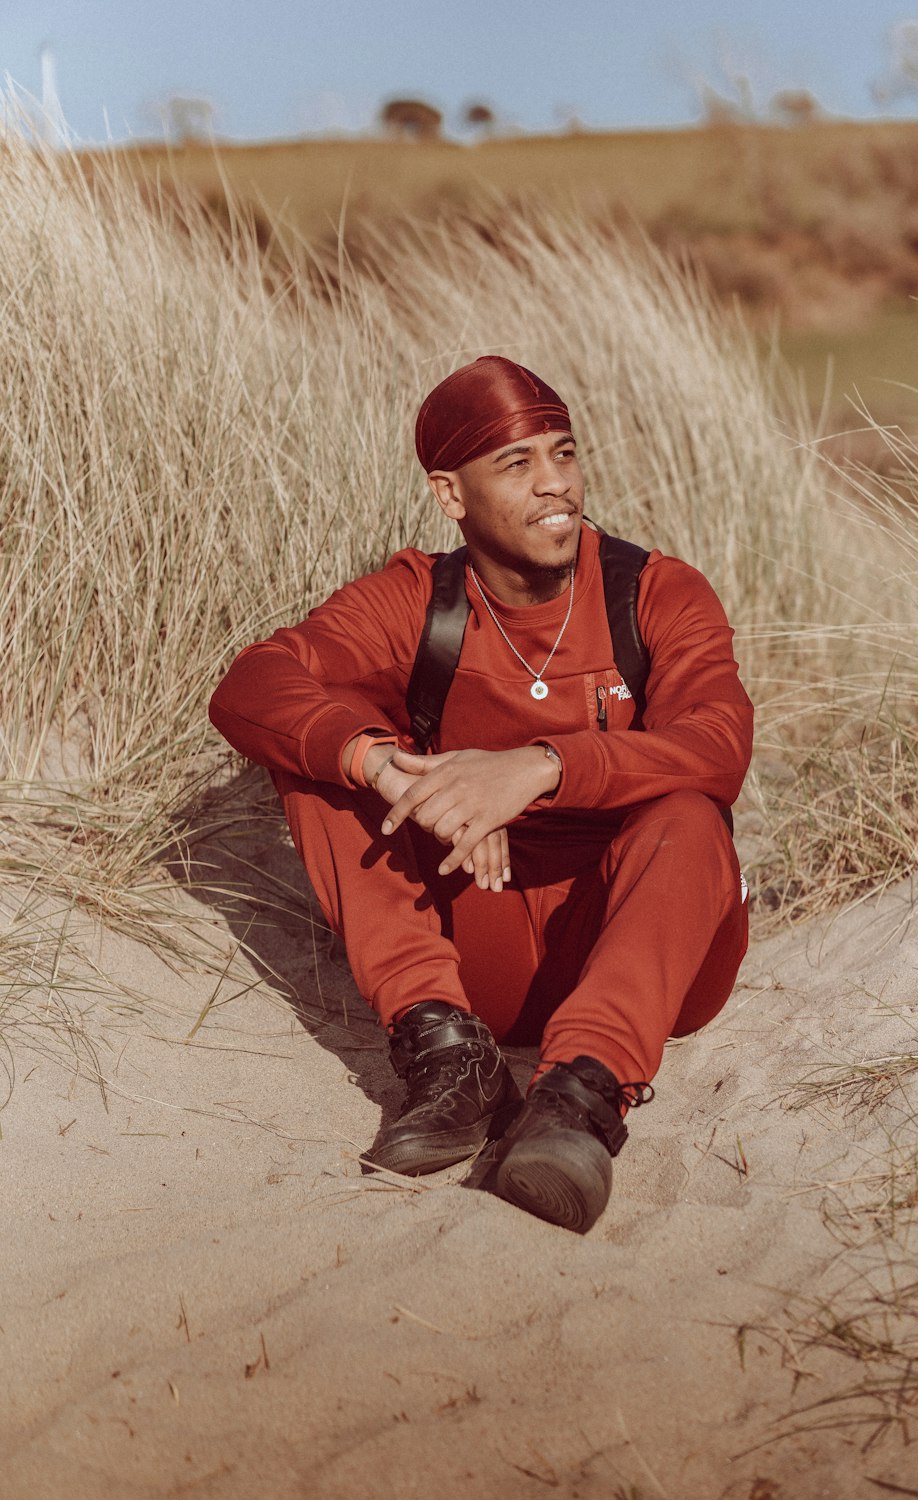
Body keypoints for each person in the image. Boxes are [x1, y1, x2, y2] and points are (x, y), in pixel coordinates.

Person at [209, 355, 753, 1233]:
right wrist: (399, 771)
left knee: (689, 813)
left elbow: (719, 747)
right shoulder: (419, 601)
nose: (557, 486)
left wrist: (535, 769)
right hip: (484, 950)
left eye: (565, 454)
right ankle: (450, 1057)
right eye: (518, 464)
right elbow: (253, 685)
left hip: (649, 954)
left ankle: (578, 1100)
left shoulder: (655, 592)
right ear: (449, 495)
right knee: (325, 757)